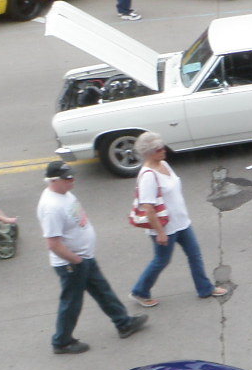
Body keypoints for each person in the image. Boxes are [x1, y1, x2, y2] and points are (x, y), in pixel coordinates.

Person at [37, 159, 148, 354]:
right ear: (53, 181)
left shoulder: (64, 193)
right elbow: (53, 244)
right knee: (72, 303)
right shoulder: (51, 207)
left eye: (72, 176)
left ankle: (124, 323)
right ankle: (61, 342)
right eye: (67, 179)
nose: (72, 180)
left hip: (83, 257)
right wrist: (77, 261)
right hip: (72, 263)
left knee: (103, 291)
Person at [128, 132, 230, 308]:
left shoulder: (164, 164)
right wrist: (160, 232)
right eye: (158, 149)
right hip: (165, 227)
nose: (163, 150)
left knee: (195, 255)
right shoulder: (148, 176)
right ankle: (139, 291)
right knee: (161, 261)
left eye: (162, 147)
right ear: (148, 153)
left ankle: (205, 288)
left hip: (181, 222)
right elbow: (148, 208)